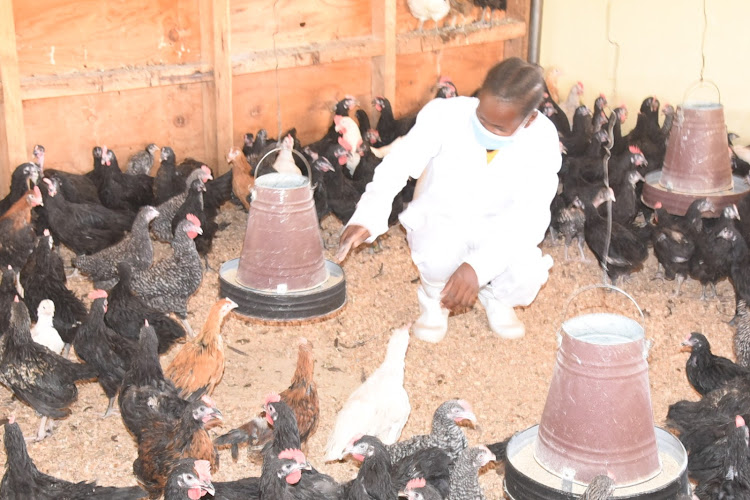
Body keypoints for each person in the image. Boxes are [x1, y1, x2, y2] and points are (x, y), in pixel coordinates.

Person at [336, 57, 561, 343]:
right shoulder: (445, 115)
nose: (486, 130)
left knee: (526, 273)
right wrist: (368, 215)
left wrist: (477, 270)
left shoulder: (542, 138)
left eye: (500, 128)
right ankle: (434, 297)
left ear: (528, 119)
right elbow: (399, 164)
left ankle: (497, 298)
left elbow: (531, 219)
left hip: (502, 228)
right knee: (437, 257)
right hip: (445, 216)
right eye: (482, 117)